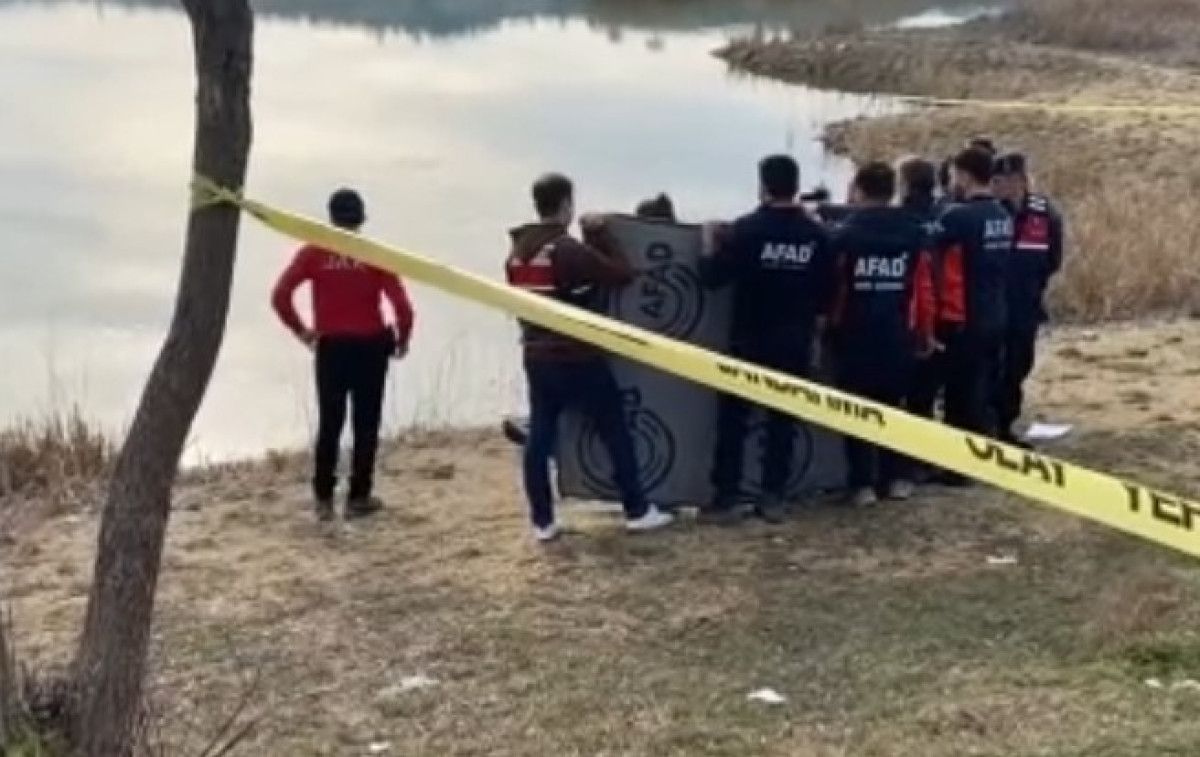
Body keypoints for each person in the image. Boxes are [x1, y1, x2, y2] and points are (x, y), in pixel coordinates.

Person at [506, 173, 674, 541]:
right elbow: (621, 273)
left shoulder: (517, 254)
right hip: (576, 355)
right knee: (614, 427)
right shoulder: (566, 249)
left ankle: (542, 521)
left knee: (540, 436)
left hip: (535, 355)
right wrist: (600, 235)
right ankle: (637, 510)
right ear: (566, 204)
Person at [699, 155, 835, 524]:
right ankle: (773, 495)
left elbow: (712, 278)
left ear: (763, 186)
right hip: (795, 341)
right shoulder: (816, 235)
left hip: (748, 339)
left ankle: (727, 497)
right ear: (796, 186)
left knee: (734, 421)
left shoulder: (746, 231)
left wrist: (709, 241)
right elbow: (827, 294)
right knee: (782, 423)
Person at [271, 189, 414, 522]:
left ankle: (323, 498)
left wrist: (302, 331)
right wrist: (403, 340)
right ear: (361, 219)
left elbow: (280, 295)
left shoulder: (314, 252)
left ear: (331, 218)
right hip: (371, 347)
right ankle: (358, 497)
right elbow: (403, 309)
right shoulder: (375, 254)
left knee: (330, 422)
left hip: (332, 347)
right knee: (366, 424)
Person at [829, 162, 937, 506]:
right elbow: (922, 287)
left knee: (855, 409)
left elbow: (834, 286)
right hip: (898, 330)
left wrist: (826, 326)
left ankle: (862, 484)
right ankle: (896, 478)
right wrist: (925, 332)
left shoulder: (845, 234)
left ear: (859, 190)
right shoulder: (914, 231)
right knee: (894, 406)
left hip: (855, 331)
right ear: (892, 191)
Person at [931, 147, 1014, 484]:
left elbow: (927, 247)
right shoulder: (1002, 215)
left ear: (964, 175)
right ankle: (980, 456)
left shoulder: (958, 217)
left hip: (965, 316)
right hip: (996, 311)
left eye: (954, 175)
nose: (952, 181)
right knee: (981, 389)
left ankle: (957, 467)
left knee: (959, 394)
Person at [991, 152, 1065, 446]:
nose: (1002, 187)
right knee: (989, 369)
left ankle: (1006, 424)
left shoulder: (1044, 213)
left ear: (1022, 180)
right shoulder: (989, 213)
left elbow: (1053, 258)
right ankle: (989, 424)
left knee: (1019, 365)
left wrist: (1034, 285)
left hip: (1026, 302)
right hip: (992, 303)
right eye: (997, 180)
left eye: (1008, 180)